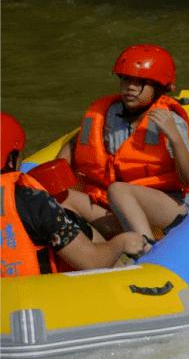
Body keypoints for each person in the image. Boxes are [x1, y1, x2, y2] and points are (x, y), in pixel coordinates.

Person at [55, 44, 189, 239]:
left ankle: (145, 249)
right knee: (62, 198)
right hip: (117, 207)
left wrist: (174, 136)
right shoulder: (106, 114)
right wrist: (53, 179)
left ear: (159, 88)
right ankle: (95, 250)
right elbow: (76, 144)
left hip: (169, 205)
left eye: (140, 82)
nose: (130, 88)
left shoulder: (169, 120)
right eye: (126, 80)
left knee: (118, 190)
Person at [1, 112, 149, 277]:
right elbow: (92, 262)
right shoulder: (33, 202)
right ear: (11, 160)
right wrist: (120, 243)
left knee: (67, 206)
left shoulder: (32, 202)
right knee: (77, 223)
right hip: (40, 296)